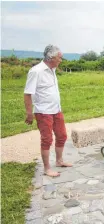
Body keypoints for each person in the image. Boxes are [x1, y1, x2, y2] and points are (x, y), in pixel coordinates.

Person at [24, 45, 72, 177]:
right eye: (59, 57)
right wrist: (29, 113)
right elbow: (28, 94)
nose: (61, 60)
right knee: (47, 139)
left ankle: (59, 161)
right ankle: (47, 168)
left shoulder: (53, 69)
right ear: (51, 57)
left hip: (56, 110)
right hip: (43, 112)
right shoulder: (36, 71)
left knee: (62, 136)